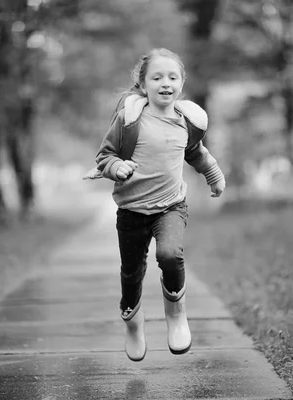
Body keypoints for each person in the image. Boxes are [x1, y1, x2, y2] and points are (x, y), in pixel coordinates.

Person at [83, 48, 225, 362]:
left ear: (181, 83)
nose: (165, 83)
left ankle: (176, 314)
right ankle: (133, 324)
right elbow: (105, 156)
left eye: (172, 77)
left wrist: (213, 176)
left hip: (171, 206)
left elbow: (196, 153)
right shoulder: (130, 119)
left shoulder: (186, 122)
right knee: (131, 273)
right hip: (132, 210)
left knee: (170, 254)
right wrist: (116, 167)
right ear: (143, 83)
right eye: (157, 77)